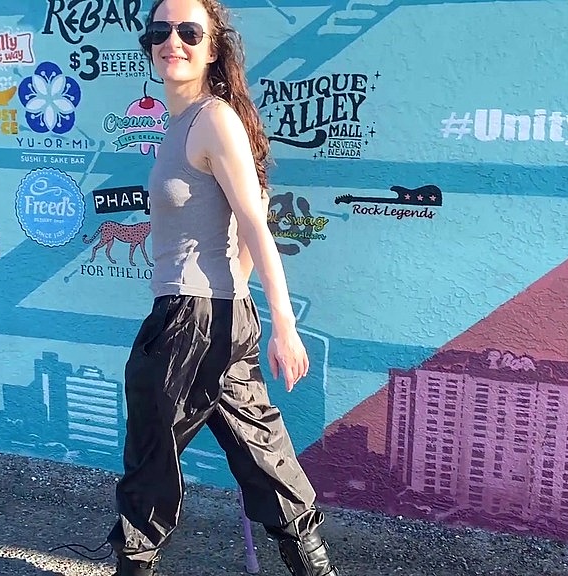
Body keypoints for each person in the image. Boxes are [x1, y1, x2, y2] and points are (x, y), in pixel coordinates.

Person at [104, 0, 340, 574]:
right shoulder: (183, 123)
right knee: (262, 451)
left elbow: (256, 222)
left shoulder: (212, 120)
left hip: (189, 319)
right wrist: (233, 302)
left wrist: (284, 326)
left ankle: (134, 562)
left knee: (150, 455)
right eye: (161, 30)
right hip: (215, 316)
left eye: (190, 31)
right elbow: (243, 222)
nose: (173, 41)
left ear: (213, 48)